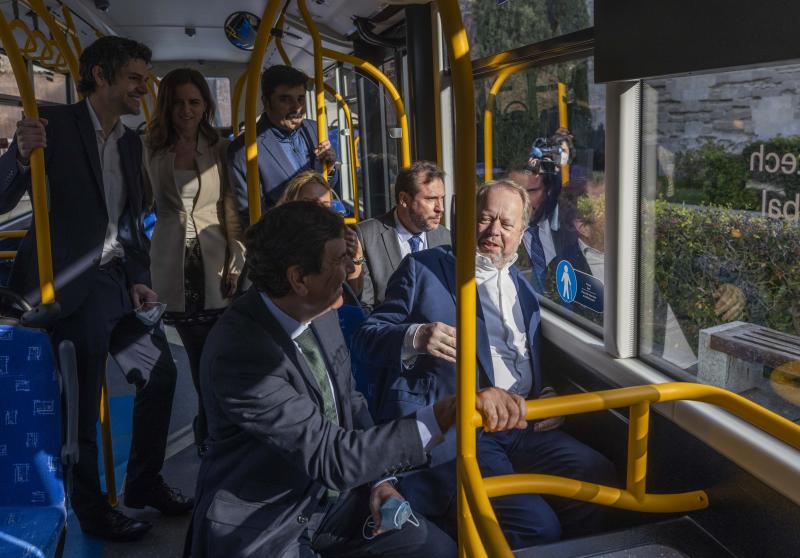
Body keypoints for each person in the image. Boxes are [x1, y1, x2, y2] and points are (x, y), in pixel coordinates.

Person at [189, 201, 529, 557]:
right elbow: (331, 457)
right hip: (269, 519)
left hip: (338, 500)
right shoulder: (242, 354)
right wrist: (446, 412)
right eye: (339, 261)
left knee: (439, 551)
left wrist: (379, 481)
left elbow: (349, 401)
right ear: (298, 279)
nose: (352, 269)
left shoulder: (320, 311)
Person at [352, 180, 616, 549]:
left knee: (597, 476)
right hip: (465, 429)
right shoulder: (425, 268)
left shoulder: (524, 289)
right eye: (485, 219)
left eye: (507, 225)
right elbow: (366, 337)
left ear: (521, 233)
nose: (494, 232)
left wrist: (544, 391)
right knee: (535, 526)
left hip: (523, 423)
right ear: (467, 222)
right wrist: (416, 336)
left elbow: (522, 357)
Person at [0, 36, 192, 541]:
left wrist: (139, 280)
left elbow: (129, 224)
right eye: (133, 78)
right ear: (101, 77)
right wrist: (20, 156)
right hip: (68, 285)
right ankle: (93, 510)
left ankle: (143, 482)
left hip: (114, 282)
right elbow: (3, 196)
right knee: (83, 404)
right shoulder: (51, 125)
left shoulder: (130, 143)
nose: (143, 88)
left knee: (162, 375)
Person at [143, 68, 245, 454]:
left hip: (215, 261)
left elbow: (231, 208)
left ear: (205, 106)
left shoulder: (221, 146)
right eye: (179, 102)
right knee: (199, 360)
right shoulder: (150, 147)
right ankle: (212, 437)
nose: (186, 110)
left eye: (194, 102)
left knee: (214, 362)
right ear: (167, 105)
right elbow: (136, 206)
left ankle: (213, 436)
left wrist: (236, 259)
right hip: (171, 264)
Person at [228, 64, 339, 228]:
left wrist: (330, 170)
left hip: (323, 227)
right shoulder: (244, 149)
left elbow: (329, 188)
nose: (296, 108)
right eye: (285, 99)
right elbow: (250, 215)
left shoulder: (316, 129)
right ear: (266, 102)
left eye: (300, 99)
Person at [354, 161, 451, 310]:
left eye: (442, 198)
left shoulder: (446, 238)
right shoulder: (366, 236)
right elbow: (365, 308)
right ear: (404, 200)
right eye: (431, 199)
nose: (441, 208)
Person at [277, 170, 364, 298]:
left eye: (325, 206)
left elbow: (352, 297)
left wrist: (356, 257)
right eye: (310, 204)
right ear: (291, 203)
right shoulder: (273, 243)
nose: (319, 211)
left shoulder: (333, 240)